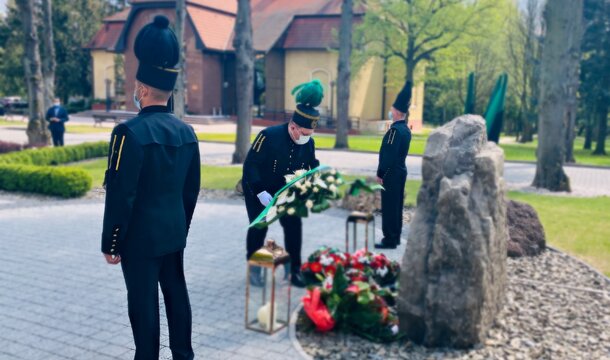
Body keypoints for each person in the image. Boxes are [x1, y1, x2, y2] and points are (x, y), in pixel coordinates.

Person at [100, 15, 200, 360]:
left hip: (140, 240)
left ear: (142, 89)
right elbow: (191, 192)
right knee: (176, 293)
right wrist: (179, 227)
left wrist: (112, 241)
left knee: (143, 302)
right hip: (173, 234)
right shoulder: (187, 133)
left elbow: (120, 195)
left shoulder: (129, 133)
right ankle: (184, 355)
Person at [242, 79, 323, 288]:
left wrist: (315, 176)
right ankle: (255, 269)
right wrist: (259, 192)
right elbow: (250, 165)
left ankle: (295, 271)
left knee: (294, 227)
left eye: (310, 135)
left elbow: (311, 164)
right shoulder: (268, 136)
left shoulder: (309, 142)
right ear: (294, 126)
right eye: (304, 134)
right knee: (259, 228)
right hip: (261, 191)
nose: (307, 138)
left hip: (287, 193)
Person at [375, 81, 413, 250]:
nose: (390, 111)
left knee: (390, 206)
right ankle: (396, 236)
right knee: (397, 205)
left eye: (392, 109)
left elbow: (388, 156)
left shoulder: (394, 131)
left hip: (391, 173)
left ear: (397, 112)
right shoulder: (406, 130)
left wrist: (380, 173)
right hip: (400, 171)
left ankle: (389, 239)